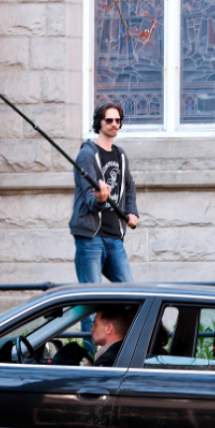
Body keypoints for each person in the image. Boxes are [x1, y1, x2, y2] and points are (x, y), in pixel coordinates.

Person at [69, 102, 139, 354]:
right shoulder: (87, 155)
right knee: (90, 302)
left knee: (132, 298)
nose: (114, 125)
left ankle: (127, 353)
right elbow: (89, 198)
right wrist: (100, 199)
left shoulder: (120, 155)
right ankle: (91, 358)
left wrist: (132, 212)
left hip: (114, 237)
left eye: (118, 120)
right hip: (90, 237)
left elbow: (129, 188)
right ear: (99, 122)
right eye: (109, 120)